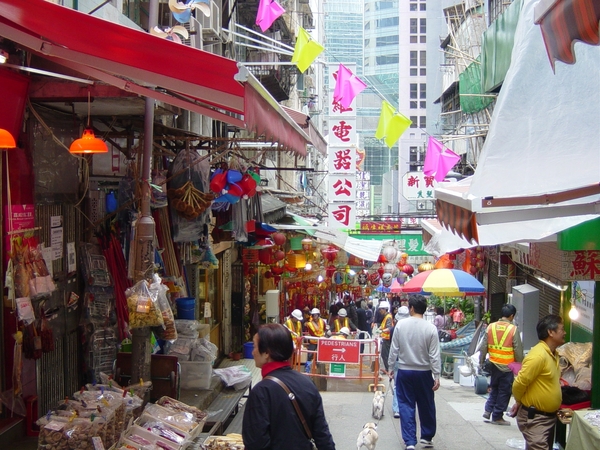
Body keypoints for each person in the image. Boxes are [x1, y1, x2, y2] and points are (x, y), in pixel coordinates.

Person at [242, 324, 336, 450]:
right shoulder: (307, 382)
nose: (253, 352)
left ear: (266, 353)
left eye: (254, 346)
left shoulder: (261, 392)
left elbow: (255, 443)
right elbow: (322, 436)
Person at [388, 295, 441, 450]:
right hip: (424, 372)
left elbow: (394, 349)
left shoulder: (400, 325)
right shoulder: (430, 328)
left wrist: (391, 368)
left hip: (404, 371)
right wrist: (436, 375)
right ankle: (426, 436)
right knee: (426, 404)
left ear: (411, 308)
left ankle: (410, 441)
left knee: (405, 405)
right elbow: (434, 354)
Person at [510, 315, 565, 450]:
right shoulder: (538, 356)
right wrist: (519, 401)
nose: (565, 333)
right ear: (550, 332)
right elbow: (519, 384)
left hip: (548, 418)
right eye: (562, 329)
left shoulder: (553, 354)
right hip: (536, 419)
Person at [479, 303, 523, 425]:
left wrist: (481, 361)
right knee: (504, 391)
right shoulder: (513, 329)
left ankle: (488, 410)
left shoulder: (490, 327)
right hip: (507, 366)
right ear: (512, 316)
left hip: (493, 364)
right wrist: (519, 367)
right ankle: (497, 416)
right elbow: (518, 350)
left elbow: (483, 346)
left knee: (494, 387)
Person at [391, 305, 410, 419]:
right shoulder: (413, 328)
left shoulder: (395, 329)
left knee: (397, 386)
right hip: (411, 362)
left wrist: (390, 366)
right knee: (408, 387)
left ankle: (397, 409)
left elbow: (393, 349)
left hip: (398, 361)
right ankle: (407, 408)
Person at [305, 308, 329, 373]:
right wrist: (321, 336)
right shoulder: (309, 324)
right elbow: (312, 333)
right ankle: (307, 368)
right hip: (313, 341)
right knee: (310, 354)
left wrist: (325, 334)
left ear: (318, 315)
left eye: (316, 315)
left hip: (321, 342)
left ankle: (319, 368)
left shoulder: (322, 322)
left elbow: (324, 330)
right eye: (313, 315)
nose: (315, 317)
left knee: (320, 355)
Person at [373, 300, 393, 373]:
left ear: (385, 309)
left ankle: (388, 370)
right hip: (385, 338)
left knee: (385, 355)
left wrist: (382, 331)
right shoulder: (386, 316)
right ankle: (388, 369)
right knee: (384, 354)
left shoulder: (388, 317)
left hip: (387, 339)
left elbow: (389, 327)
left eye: (381, 309)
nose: (380, 311)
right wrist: (380, 329)